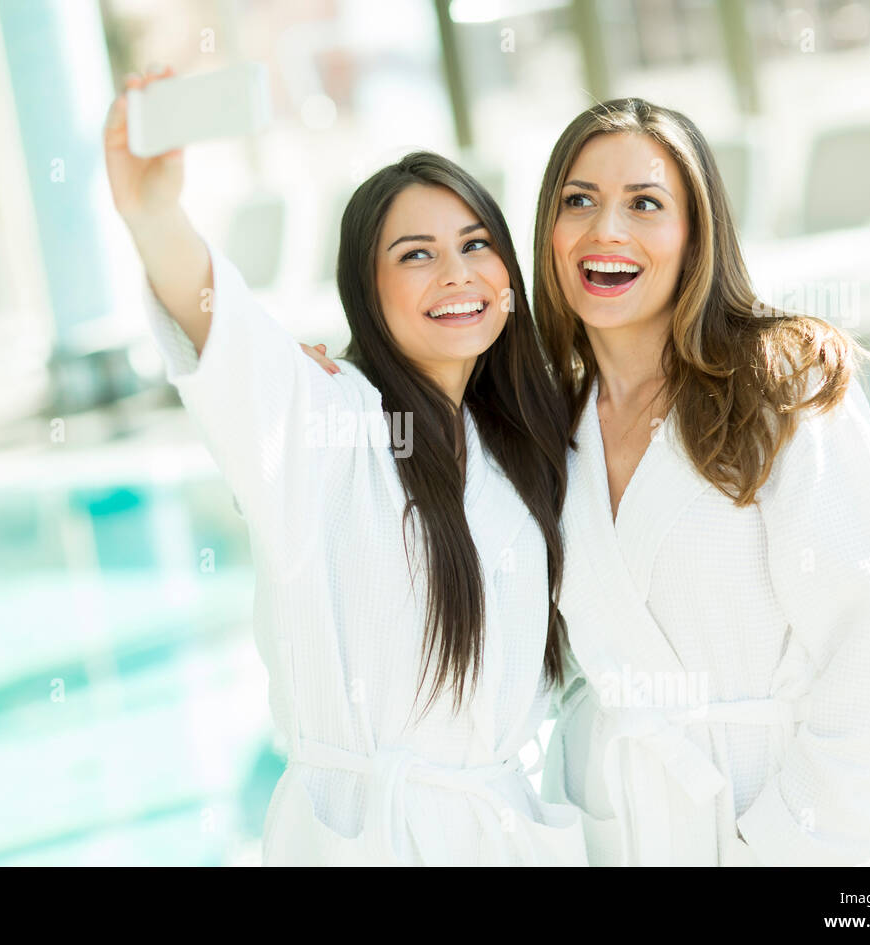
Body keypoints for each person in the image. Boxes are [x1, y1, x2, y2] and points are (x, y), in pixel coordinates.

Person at [105, 68, 589, 865]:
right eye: (416, 255)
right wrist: (155, 214)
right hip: (367, 838)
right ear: (367, 290)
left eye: (476, 246)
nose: (457, 274)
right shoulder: (335, 425)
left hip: (503, 830)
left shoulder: (526, 445)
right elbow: (232, 348)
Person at [528, 98, 870, 866]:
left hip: (773, 825)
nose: (606, 231)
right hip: (610, 831)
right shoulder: (544, 428)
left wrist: (787, 842)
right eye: (579, 200)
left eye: (646, 203)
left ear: (697, 236)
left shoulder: (781, 384)